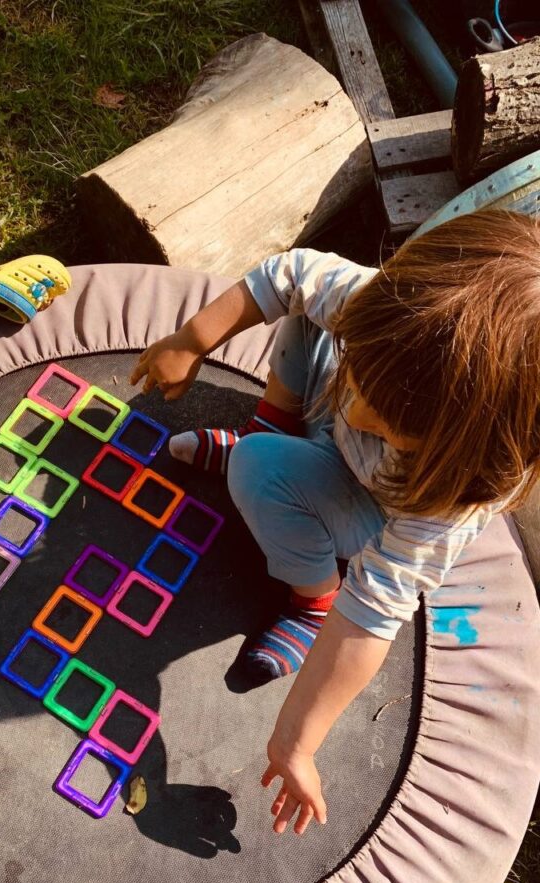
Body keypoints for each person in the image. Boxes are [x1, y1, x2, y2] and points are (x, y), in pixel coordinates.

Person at [130, 209, 540, 838]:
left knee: (257, 469)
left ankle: (308, 598)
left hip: (371, 504)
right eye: (364, 369)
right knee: (305, 314)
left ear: (460, 441)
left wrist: (297, 742)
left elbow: (373, 613)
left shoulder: (446, 501)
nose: (357, 396)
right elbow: (286, 274)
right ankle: (271, 429)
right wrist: (190, 341)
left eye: (385, 405)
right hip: (327, 433)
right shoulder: (381, 317)